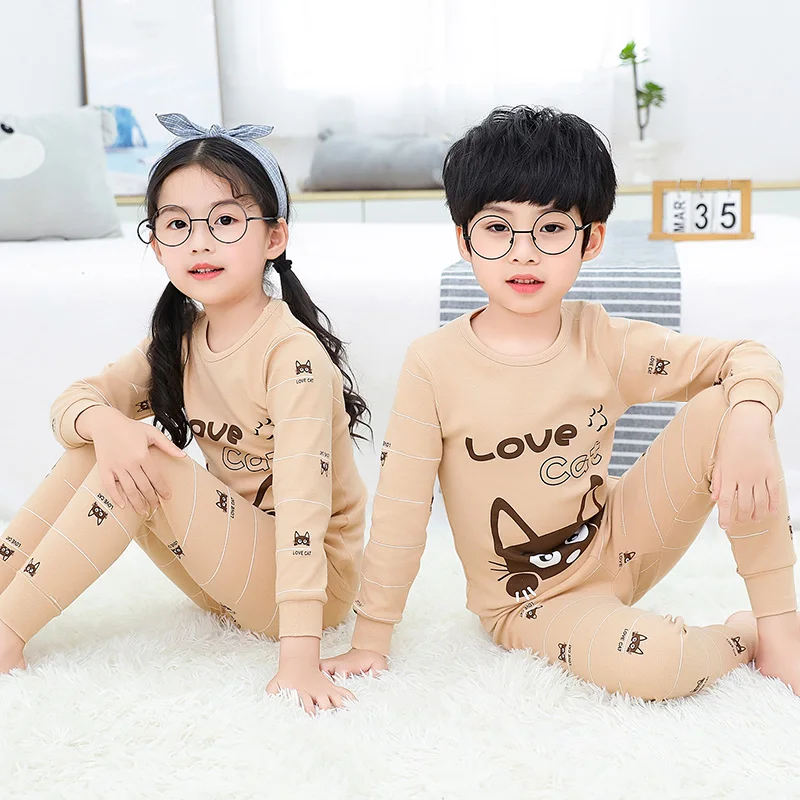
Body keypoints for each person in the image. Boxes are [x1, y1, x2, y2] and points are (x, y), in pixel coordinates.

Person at [323, 106, 799, 700]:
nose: (523, 253)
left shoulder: (604, 341)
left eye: (550, 228)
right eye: (498, 228)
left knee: (734, 406)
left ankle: (781, 632)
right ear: (464, 240)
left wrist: (750, 421)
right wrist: (371, 639)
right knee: (662, 665)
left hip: (623, 539)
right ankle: (744, 635)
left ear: (590, 240)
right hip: (528, 599)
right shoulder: (433, 364)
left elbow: (748, 357)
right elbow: (401, 509)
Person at [0, 113, 369, 714]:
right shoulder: (180, 338)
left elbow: (304, 506)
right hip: (228, 577)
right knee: (105, 440)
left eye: (225, 221)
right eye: (177, 224)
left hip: (309, 596)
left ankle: (6, 635)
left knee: (144, 457)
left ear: (274, 237)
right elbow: (72, 403)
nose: (199, 243)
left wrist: (300, 660)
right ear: (155, 242)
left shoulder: (291, 354)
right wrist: (107, 425)